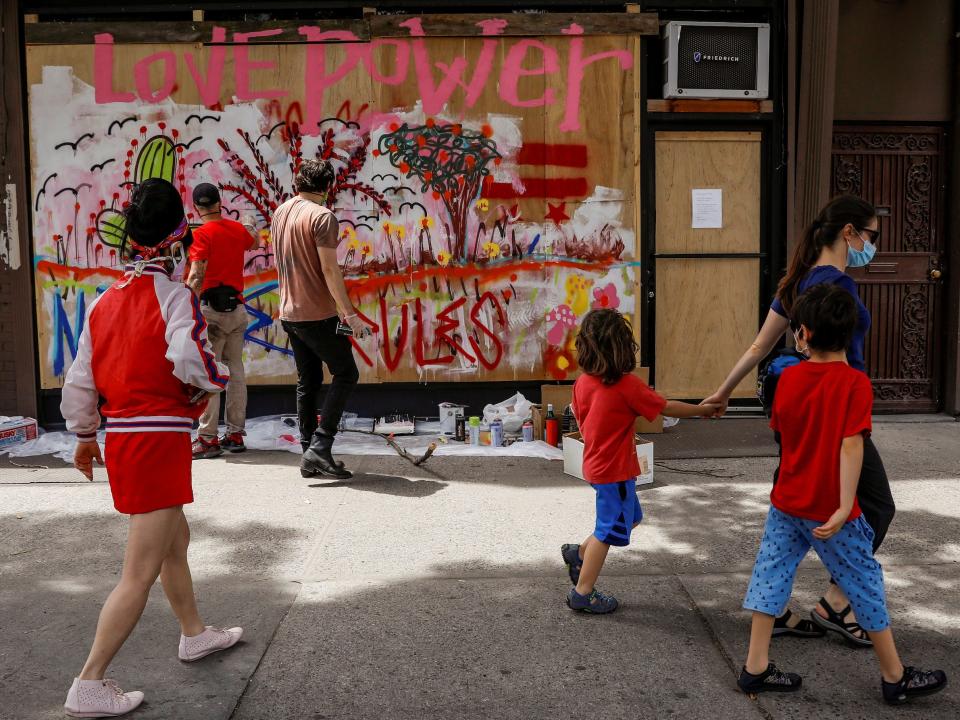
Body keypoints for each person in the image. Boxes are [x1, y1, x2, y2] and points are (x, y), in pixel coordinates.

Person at [60, 179, 243, 718]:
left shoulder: (103, 302)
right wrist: (221, 377)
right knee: (138, 571)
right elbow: (192, 361)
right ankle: (89, 681)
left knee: (173, 541)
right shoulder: (173, 295)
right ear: (175, 239)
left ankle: (194, 633)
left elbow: (80, 380)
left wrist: (86, 437)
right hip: (158, 438)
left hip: (123, 439)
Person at [737, 283, 946, 705]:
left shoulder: (789, 378)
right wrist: (847, 504)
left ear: (804, 334)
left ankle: (755, 667)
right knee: (864, 582)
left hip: (787, 502)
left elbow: (781, 433)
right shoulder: (854, 383)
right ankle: (894, 675)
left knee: (771, 576)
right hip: (830, 511)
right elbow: (852, 445)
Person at [704, 195, 895, 644]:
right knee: (874, 507)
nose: (873, 245)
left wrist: (722, 392)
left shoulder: (797, 282)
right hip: (840, 412)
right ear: (849, 233)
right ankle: (838, 603)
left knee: (790, 509)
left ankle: (778, 613)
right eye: (872, 236)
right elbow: (843, 362)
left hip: (800, 412)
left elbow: (758, 346)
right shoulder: (838, 287)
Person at [561, 309, 719, 613]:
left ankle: (579, 553)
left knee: (630, 518)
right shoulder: (627, 386)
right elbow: (665, 407)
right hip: (615, 472)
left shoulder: (583, 382)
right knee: (608, 531)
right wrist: (703, 409)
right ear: (623, 347)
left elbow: (580, 420)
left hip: (596, 464)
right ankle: (583, 591)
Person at [271, 159, 370, 481]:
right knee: (346, 372)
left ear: (298, 184)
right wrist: (350, 315)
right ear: (327, 187)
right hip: (316, 313)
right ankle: (321, 445)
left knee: (308, 381)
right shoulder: (322, 217)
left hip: (289, 311)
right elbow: (329, 269)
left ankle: (308, 452)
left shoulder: (281, 212)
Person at [186, 182, 259, 459]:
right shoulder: (236, 230)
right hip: (236, 309)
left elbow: (196, 275)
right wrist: (249, 222)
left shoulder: (201, 235)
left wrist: (187, 309)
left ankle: (207, 438)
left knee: (210, 373)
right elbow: (255, 239)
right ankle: (235, 433)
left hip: (210, 313)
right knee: (235, 369)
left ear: (196, 208)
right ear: (219, 202)